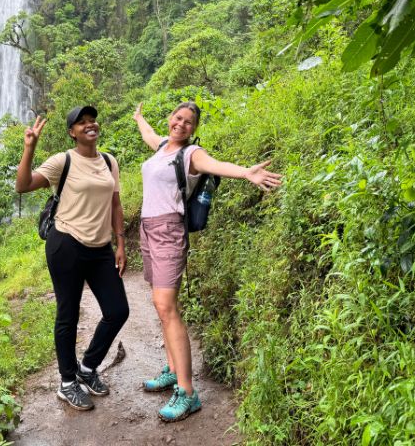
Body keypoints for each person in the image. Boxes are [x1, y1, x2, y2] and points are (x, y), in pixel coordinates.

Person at [133, 101, 282, 422]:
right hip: (148, 230)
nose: (181, 124)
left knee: (166, 305)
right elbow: (148, 134)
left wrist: (246, 173)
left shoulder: (190, 155)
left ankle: (188, 393)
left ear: (194, 129)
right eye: (178, 118)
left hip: (169, 230)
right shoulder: (161, 145)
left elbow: (216, 164)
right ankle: (173, 370)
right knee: (162, 305)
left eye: (188, 122)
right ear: (170, 119)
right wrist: (139, 118)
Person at [16, 105, 129, 412]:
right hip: (66, 244)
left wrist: (120, 242)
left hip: (100, 248)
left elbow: (116, 204)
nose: (89, 125)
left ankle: (88, 367)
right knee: (68, 314)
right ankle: (67, 382)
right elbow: (23, 185)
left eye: (92, 121)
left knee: (118, 310)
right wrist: (30, 148)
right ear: (72, 132)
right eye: (82, 123)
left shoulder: (109, 161)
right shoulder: (62, 161)